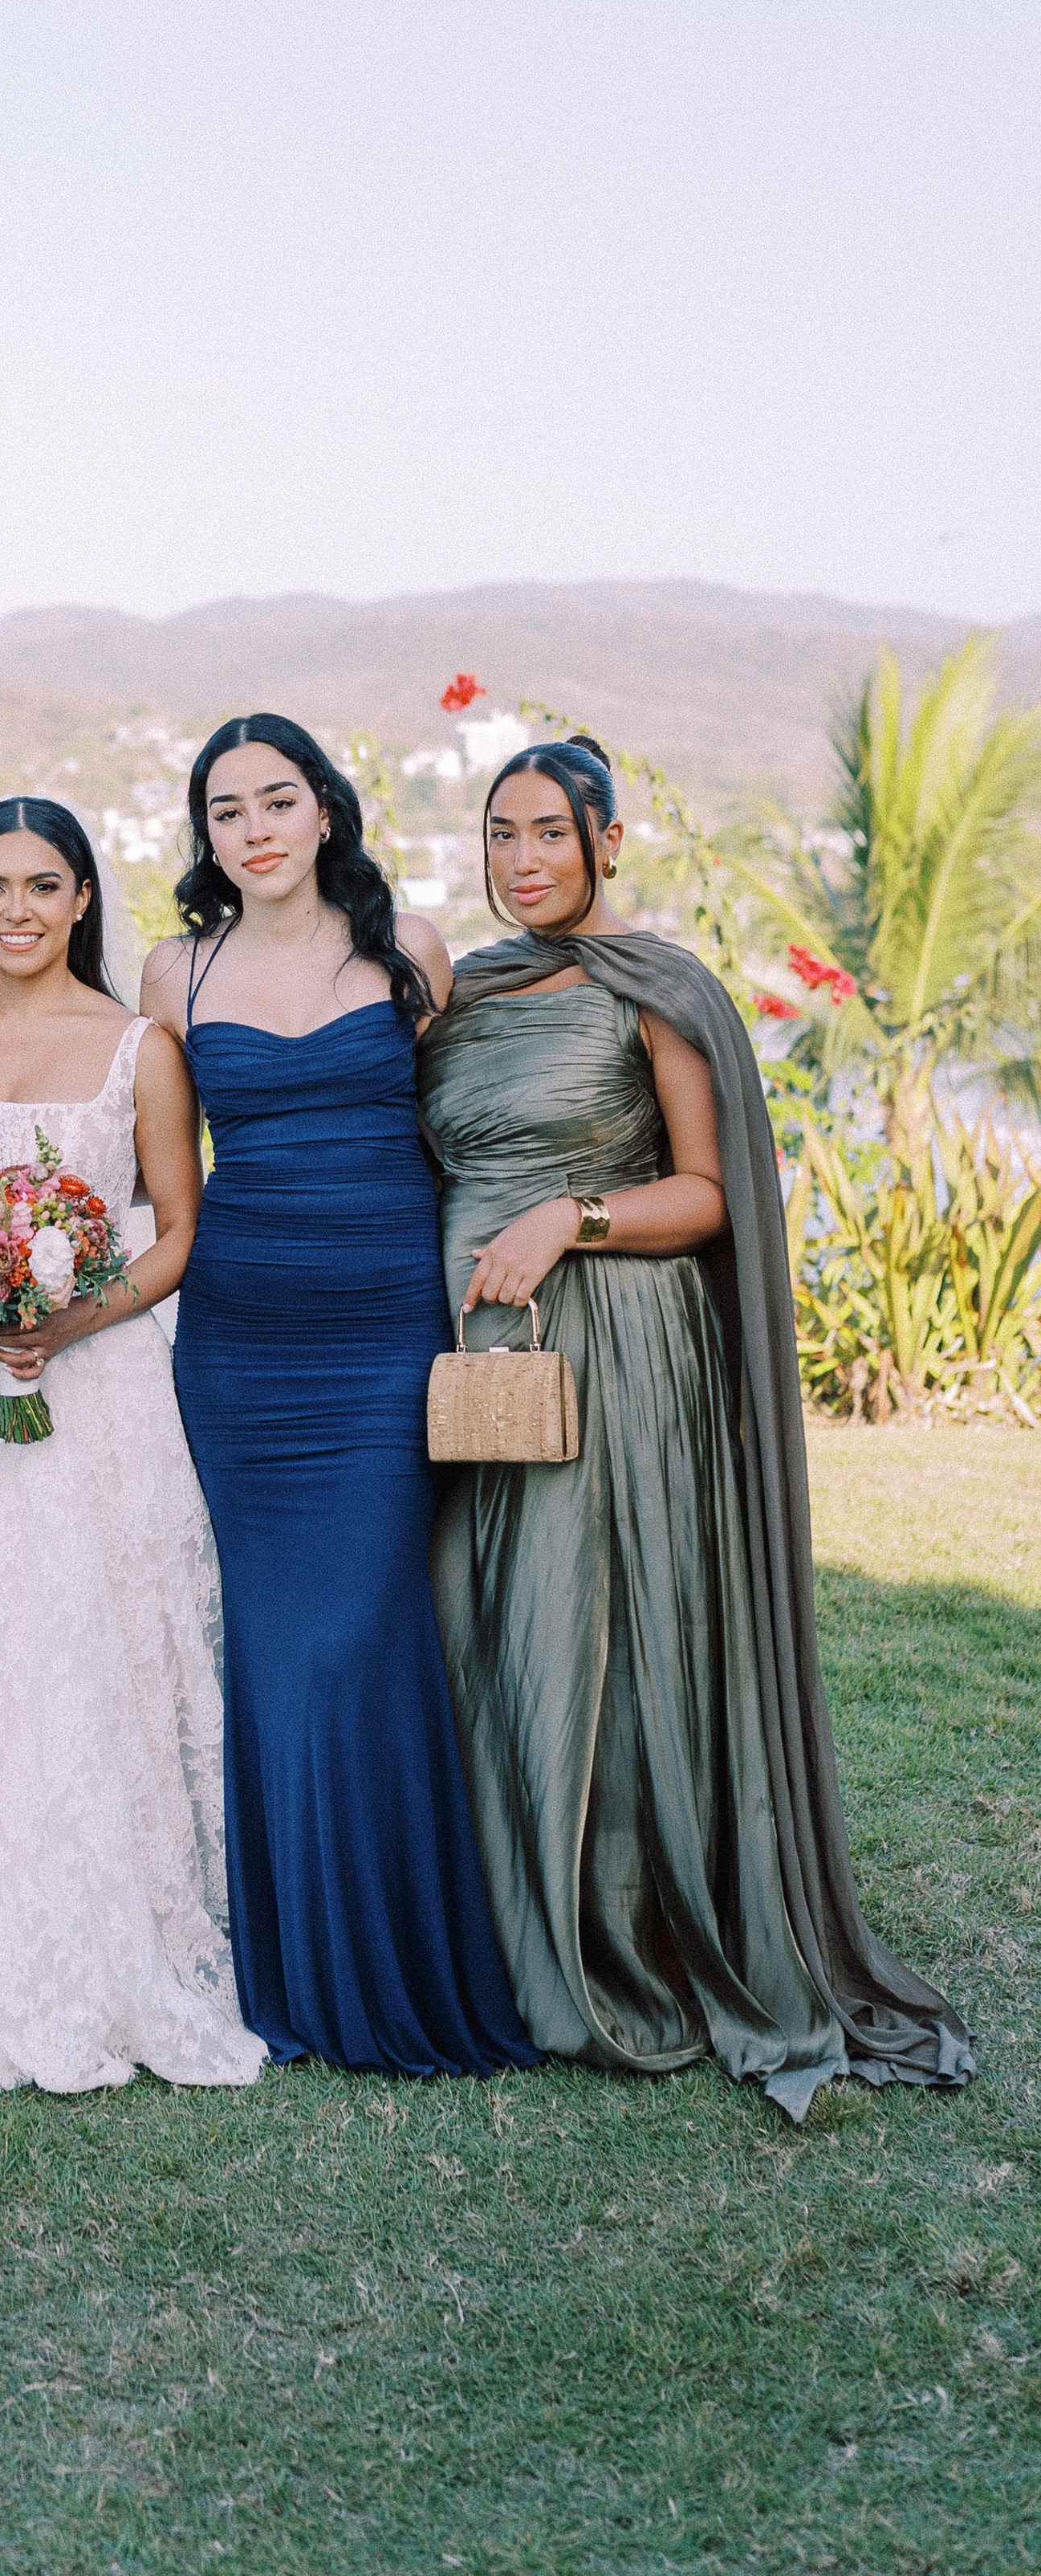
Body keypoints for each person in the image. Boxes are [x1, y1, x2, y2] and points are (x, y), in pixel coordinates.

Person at [418, 736, 973, 2119]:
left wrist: (573, 1218)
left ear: (609, 841)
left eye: (549, 833)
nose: (522, 861)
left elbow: (714, 1193)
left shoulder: (655, 990)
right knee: (477, 1623)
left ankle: (620, 1937)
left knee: (585, 1627)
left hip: (617, 1342)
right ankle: (503, 1930)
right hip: (481, 1347)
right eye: (500, 836)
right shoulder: (464, 995)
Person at [0, 798, 264, 2112]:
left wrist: (71, 1318)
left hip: (100, 1391)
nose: (16, 909)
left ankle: (110, 1931)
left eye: (44, 885)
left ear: (83, 900)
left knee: (86, 1648)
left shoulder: (144, 1048)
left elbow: (179, 1230)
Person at [143, 715, 539, 2080]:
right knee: (271, 1651)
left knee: (360, 1637)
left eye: (277, 801)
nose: (253, 829)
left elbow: (487, 1115)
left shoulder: (409, 949)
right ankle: (290, 1973)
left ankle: (395, 1968)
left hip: (383, 1333)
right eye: (226, 810)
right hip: (242, 1342)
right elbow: (142, 1161)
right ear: (205, 836)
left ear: (326, 814)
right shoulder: (174, 970)